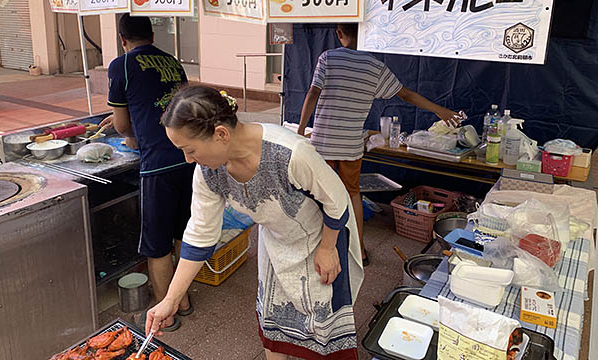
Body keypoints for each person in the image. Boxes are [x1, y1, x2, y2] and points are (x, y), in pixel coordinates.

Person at [147, 86, 364, 360]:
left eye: (190, 150)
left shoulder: (290, 153)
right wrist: (171, 299)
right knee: (272, 319)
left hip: (321, 236)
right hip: (277, 239)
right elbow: (199, 235)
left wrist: (328, 247)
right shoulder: (208, 171)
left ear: (221, 134)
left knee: (323, 323)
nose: (188, 159)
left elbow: (336, 201)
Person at [297, 23, 461, 265]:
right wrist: (440, 110)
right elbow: (406, 94)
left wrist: (300, 131)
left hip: (322, 143)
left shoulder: (328, 58)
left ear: (339, 34)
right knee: (353, 194)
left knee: (320, 195)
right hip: (351, 146)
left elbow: (313, 93)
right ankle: (360, 251)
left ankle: (321, 249)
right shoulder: (376, 67)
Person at [100, 13, 194, 330]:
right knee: (184, 233)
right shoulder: (173, 62)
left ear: (122, 39)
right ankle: (183, 300)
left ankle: (164, 315)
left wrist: (121, 126)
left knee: (156, 244)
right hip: (190, 157)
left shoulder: (121, 65)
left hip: (157, 165)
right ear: (153, 35)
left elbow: (124, 125)